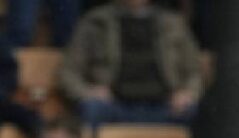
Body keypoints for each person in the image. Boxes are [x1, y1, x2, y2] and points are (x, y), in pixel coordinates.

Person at [58, 0, 202, 128]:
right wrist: (87, 92)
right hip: (114, 106)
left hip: (165, 106)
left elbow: (194, 71)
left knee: (191, 109)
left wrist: (187, 93)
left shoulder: (173, 23)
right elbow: (68, 72)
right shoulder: (95, 21)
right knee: (93, 108)